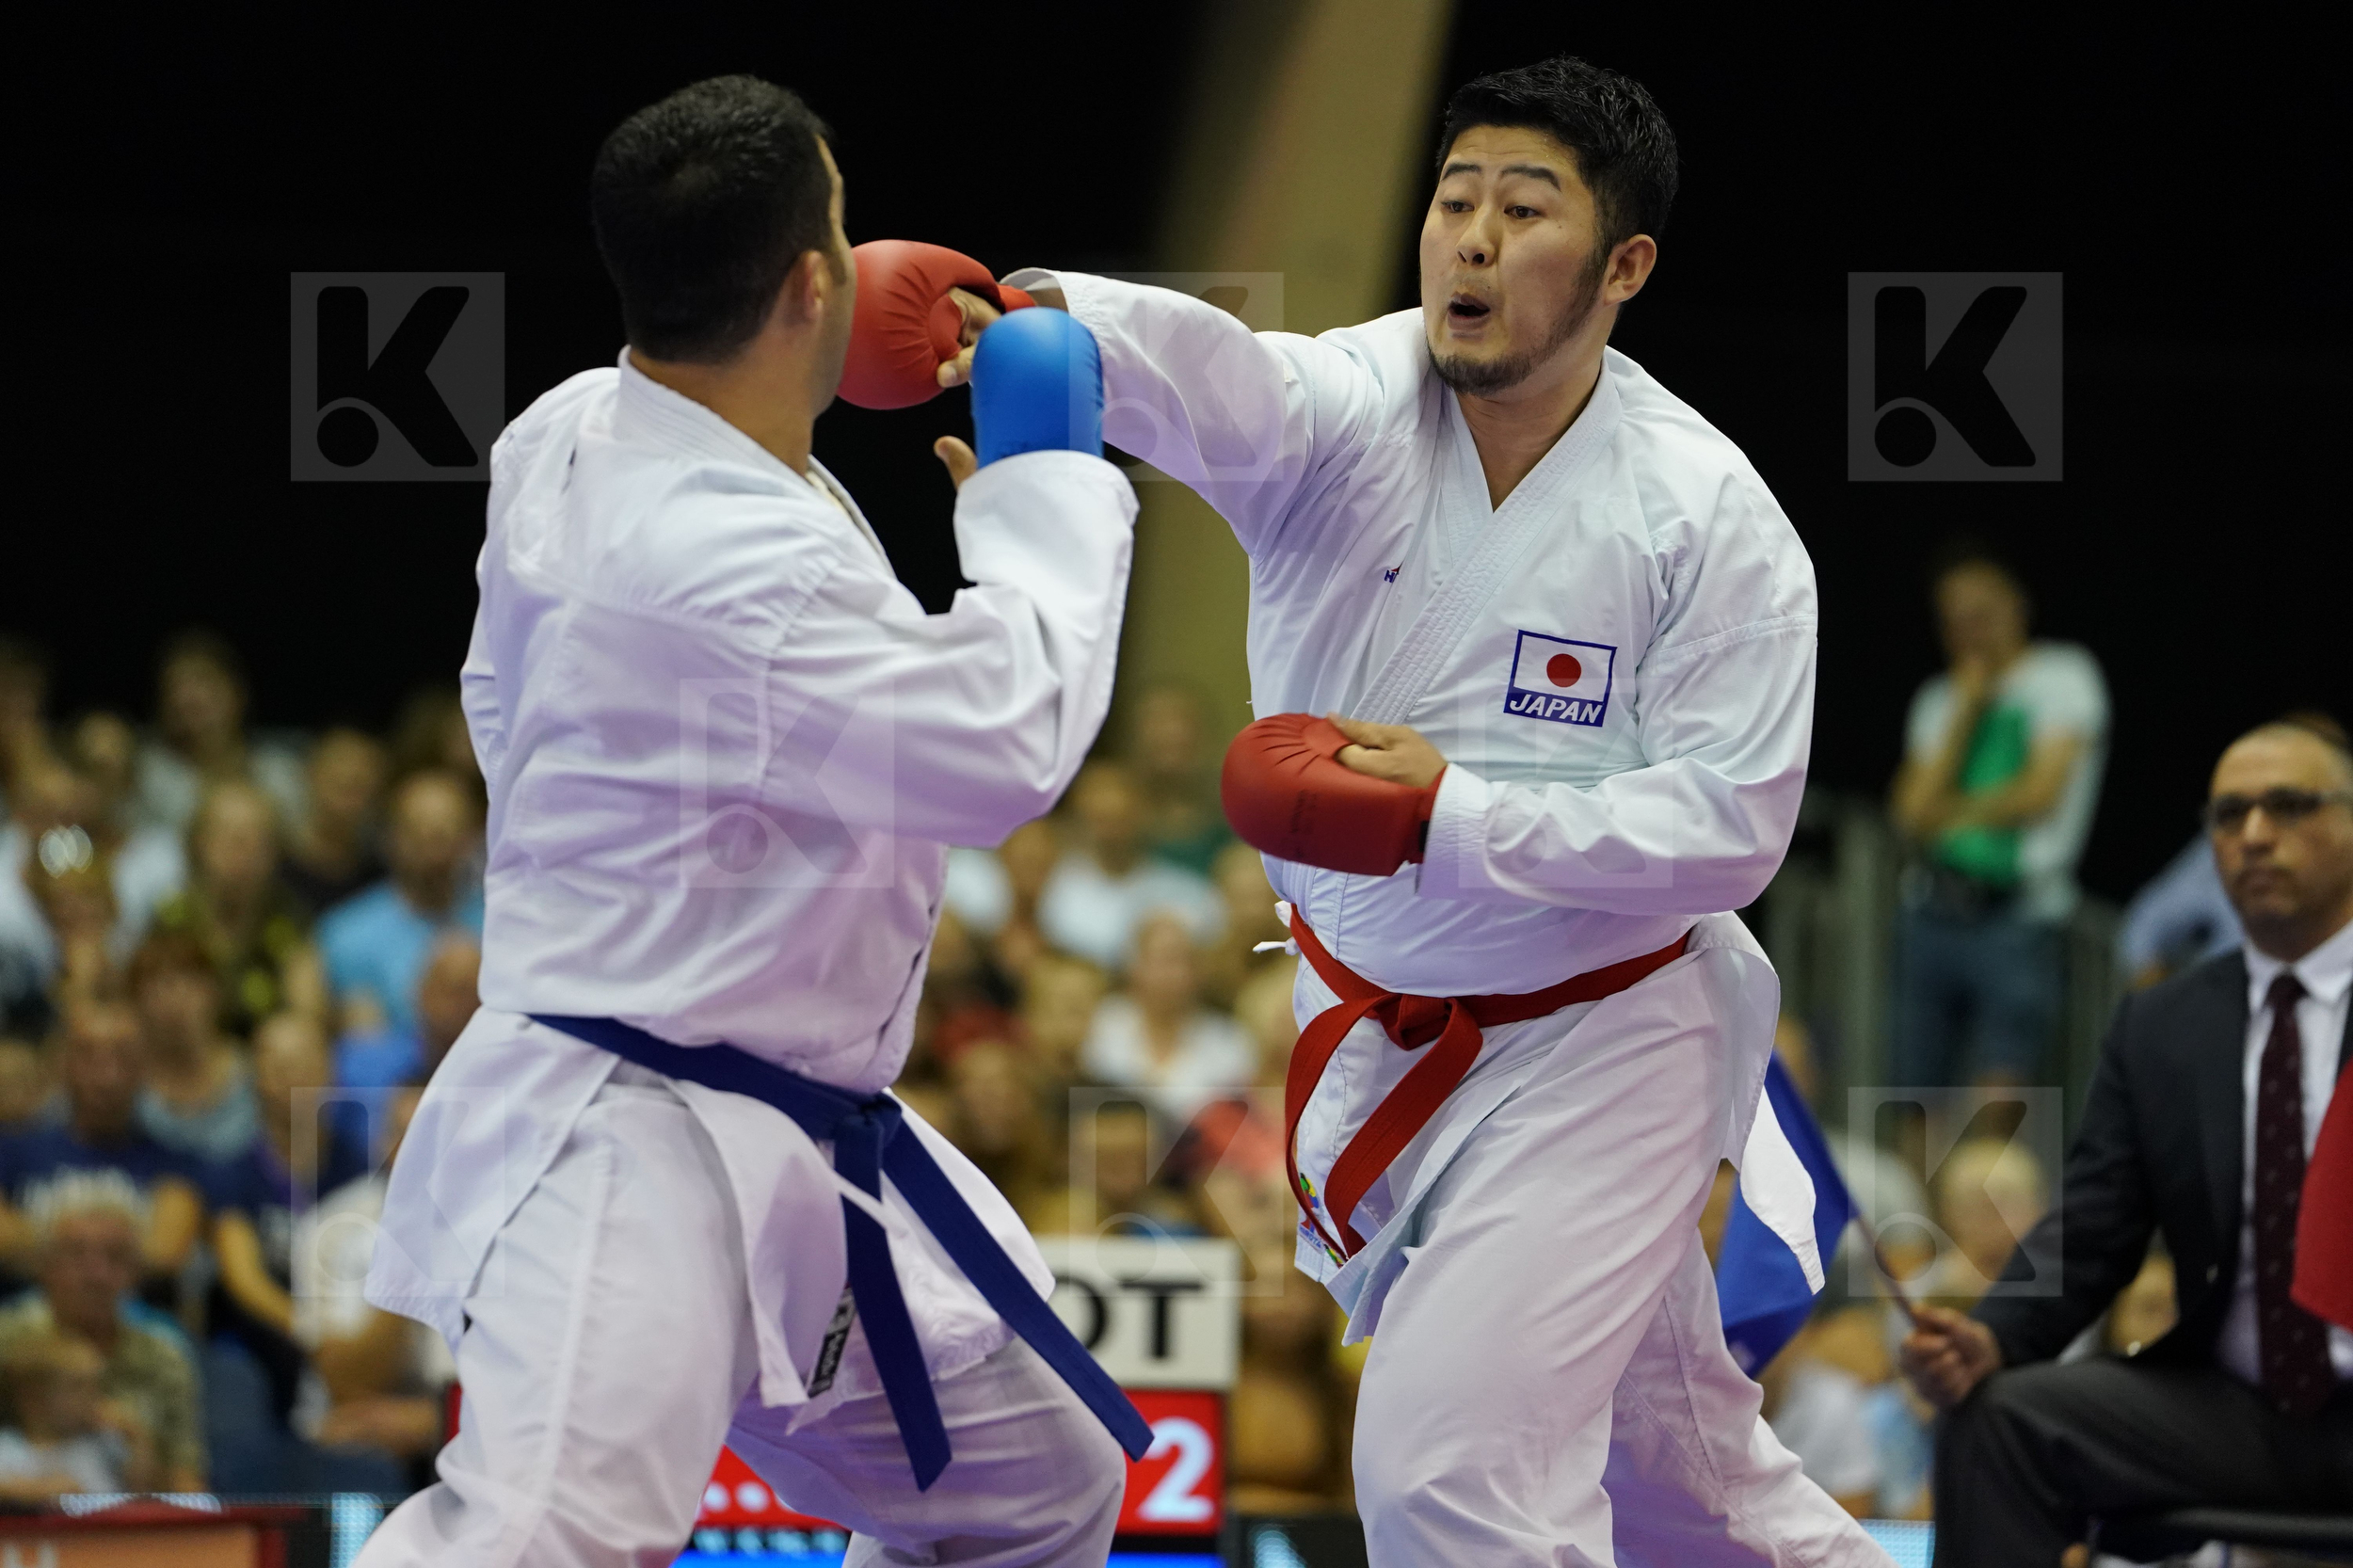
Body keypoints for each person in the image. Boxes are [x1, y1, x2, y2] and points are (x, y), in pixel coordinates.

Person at [931, 53, 1887, 1565]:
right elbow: (1222, 372)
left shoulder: (1710, 516)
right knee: (1684, 1488)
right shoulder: (1346, 408)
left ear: (1626, 264)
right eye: (1454, 202)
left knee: (1449, 1477)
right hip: (1382, 1024)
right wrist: (1058, 318)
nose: (1472, 240)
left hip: (1609, 1038)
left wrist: (1456, 814)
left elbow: (1735, 824)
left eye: (1525, 208)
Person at [353, 76, 1144, 1567]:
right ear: (806, 282)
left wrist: (652, 844)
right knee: (533, 1546)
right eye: (844, 229)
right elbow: (1002, 745)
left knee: (1043, 1480)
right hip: (629, 1134)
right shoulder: (732, 554)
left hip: (795, 1112)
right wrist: (1044, 487)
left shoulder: (572, 426)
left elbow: (507, 696)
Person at [1899, 718, 2353, 1566]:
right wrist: (1992, 1336)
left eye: (2289, 806)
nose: (2254, 834)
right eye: (2229, 815)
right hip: (2242, 1410)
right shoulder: (2163, 1025)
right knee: (1999, 1421)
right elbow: (2095, 1223)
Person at [1889, 541, 2108, 1086]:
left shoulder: (2065, 675)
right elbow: (1907, 815)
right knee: (1913, 1085)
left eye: (1982, 613)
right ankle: (1923, 1178)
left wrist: (1943, 811)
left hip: (2018, 915)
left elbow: (2039, 795)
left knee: (2004, 1081)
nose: (1971, 630)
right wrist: (1966, 709)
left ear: (2016, 606)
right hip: (1930, 907)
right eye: (1955, 620)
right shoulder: (1940, 698)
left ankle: (1983, 1176)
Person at [0, 1188, 204, 1491]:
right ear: (44, 1265)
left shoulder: (163, 1359)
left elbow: (188, 1483)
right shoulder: (9, 1345)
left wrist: (137, 1444)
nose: (97, 1273)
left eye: (115, 1257)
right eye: (76, 1254)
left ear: (136, 1273)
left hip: (125, 1524)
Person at [0, 1001, 203, 1283]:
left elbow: (164, 1253)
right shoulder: (11, 1151)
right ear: (61, 1063)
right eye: (87, 1055)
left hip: (136, 1321)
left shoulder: (176, 1163)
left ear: (144, 1068)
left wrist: (42, 1241)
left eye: (122, 1057)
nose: (106, 1075)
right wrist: (120, 1249)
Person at [150, 778, 327, 1036]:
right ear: (197, 843)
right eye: (226, 835)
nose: (240, 850)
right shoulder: (171, 920)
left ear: (275, 850)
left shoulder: (290, 920)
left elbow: (308, 1019)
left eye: (255, 838)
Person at [315, 769, 483, 1037]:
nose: (435, 852)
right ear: (391, 838)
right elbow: (363, 1054)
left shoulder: (503, 925)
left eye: (446, 833)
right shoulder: (347, 935)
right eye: (419, 834)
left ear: (470, 839)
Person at [1036, 760, 1222, 969]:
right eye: (1101, 820)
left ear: (1142, 815)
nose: (1111, 833)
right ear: (1079, 820)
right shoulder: (1057, 892)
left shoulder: (1185, 893)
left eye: (1120, 818)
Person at [1080, 910, 1256, 1117]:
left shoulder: (1228, 1041)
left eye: (1184, 961)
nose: (1173, 974)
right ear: (1133, 966)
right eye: (1163, 960)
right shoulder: (1101, 1024)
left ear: (1199, 970)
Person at [131, 630, 307, 836]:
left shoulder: (280, 773)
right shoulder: (147, 777)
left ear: (237, 693)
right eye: (175, 687)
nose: (187, 698)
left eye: (203, 681)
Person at [130, 928, 260, 1163]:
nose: (176, 1000)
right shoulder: (125, 1085)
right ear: (137, 1004)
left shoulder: (256, 1072)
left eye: (189, 983)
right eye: (159, 988)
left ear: (215, 991)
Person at [0, 1329, 156, 1499]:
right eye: (77, 1387)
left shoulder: (104, 1440)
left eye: (95, 1386)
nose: (93, 1397)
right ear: (33, 1400)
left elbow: (141, 1491)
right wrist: (44, 1491)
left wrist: (136, 1437)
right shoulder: (10, 1447)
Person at [334, 934, 479, 1089]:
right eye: (450, 991)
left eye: (471, 993)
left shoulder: (497, 1066)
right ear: (421, 992)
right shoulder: (362, 1063)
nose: (459, 1006)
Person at [281, 728, 390, 920]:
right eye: (340, 785)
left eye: (359, 785)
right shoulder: (275, 867)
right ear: (310, 775)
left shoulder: (385, 874)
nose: (348, 801)